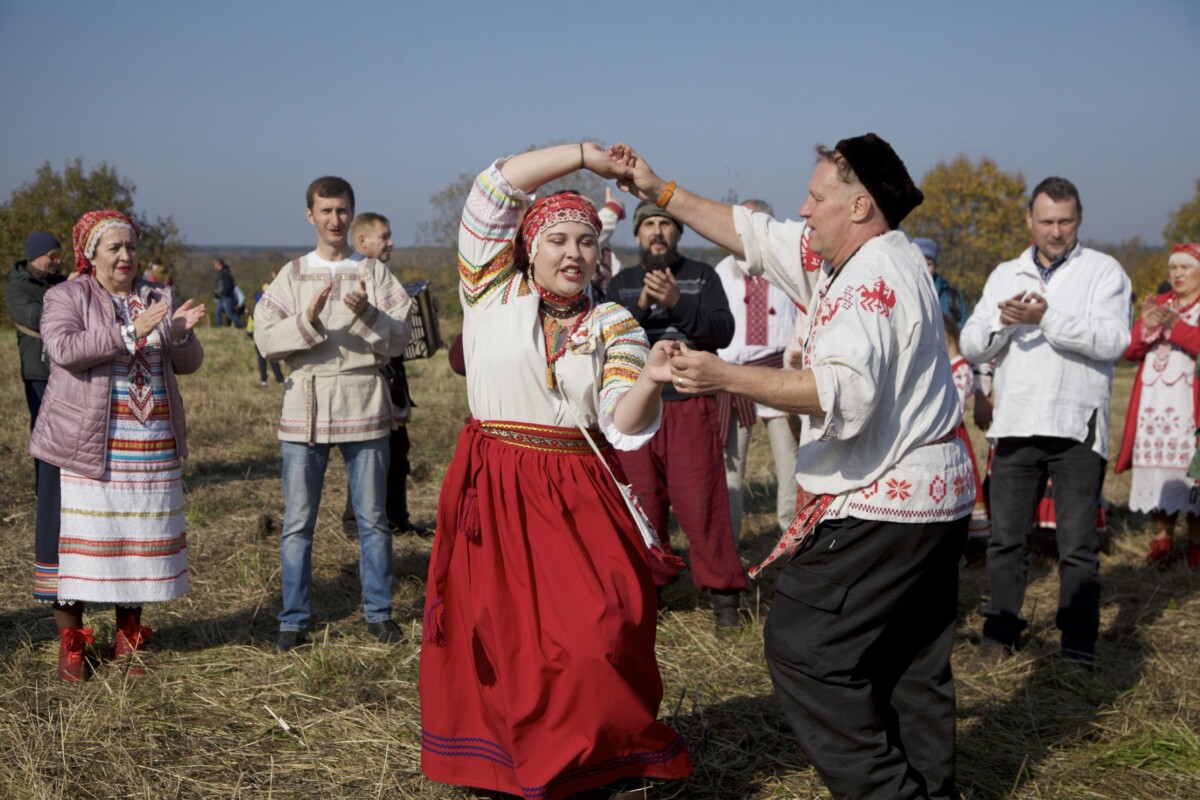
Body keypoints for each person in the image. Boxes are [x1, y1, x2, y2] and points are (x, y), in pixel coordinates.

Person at [608, 133, 975, 800]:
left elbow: (841, 392)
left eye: (816, 197)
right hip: (934, 499)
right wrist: (660, 190)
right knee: (908, 663)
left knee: (804, 647)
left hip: (885, 501)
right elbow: (755, 234)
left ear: (860, 206)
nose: (803, 211)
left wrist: (727, 376)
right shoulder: (847, 257)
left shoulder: (874, 281)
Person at [420, 144, 692, 800]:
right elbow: (492, 188)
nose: (575, 253)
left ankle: (597, 760)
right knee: (501, 640)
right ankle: (505, 771)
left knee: (599, 632)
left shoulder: (613, 322)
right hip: (496, 480)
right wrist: (582, 156)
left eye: (588, 242)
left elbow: (622, 422)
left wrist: (653, 379)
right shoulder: (489, 292)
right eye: (559, 240)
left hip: (576, 489)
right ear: (530, 248)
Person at [28, 209, 206, 681]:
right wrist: (132, 332)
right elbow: (64, 349)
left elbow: (185, 362)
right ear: (90, 254)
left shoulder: (156, 294)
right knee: (77, 542)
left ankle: (128, 636)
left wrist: (182, 336)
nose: (126, 256)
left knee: (137, 536)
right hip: (84, 443)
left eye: (131, 247)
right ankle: (73, 643)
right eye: (114, 248)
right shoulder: (67, 294)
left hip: (147, 444)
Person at [961, 176, 1131, 664]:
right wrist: (1006, 322)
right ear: (1029, 221)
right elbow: (973, 342)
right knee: (1005, 540)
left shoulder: (1104, 271)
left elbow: (1113, 341)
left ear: (1079, 219)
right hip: (1015, 423)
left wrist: (1047, 320)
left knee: (1077, 545)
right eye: (1047, 221)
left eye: (1065, 221)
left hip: (1076, 424)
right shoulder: (1005, 273)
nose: (1056, 231)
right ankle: (999, 637)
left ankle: (1077, 644)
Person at [253, 176, 413, 652]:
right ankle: (293, 620)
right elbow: (265, 338)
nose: (334, 219)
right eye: (325, 211)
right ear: (311, 215)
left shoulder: (373, 273)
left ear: (351, 213)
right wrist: (309, 319)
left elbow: (403, 335)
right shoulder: (293, 273)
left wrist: (368, 315)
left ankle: (379, 613)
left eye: (342, 210)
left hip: (364, 401)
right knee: (298, 522)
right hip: (306, 404)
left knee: (373, 520)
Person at [605, 198, 747, 627]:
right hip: (636, 408)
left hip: (689, 403)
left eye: (665, 224)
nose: (657, 232)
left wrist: (678, 303)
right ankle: (650, 588)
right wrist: (645, 306)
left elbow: (722, 332)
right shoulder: (622, 283)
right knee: (641, 503)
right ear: (637, 235)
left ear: (678, 233)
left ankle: (724, 598)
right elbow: (609, 342)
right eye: (649, 225)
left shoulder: (701, 277)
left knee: (701, 501)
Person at [339, 212, 431, 537]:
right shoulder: (351, 278)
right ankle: (356, 526)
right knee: (368, 454)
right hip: (367, 381)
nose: (391, 241)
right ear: (363, 242)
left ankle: (397, 519)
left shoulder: (383, 277)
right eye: (385, 236)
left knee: (398, 448)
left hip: (393, 379)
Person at [713, 200, 799, 540]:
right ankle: (729, 542)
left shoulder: (790, 271)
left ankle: (792, 537)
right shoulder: (721, 273)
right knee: (732, 466)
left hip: (779, 375)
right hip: (735, 380)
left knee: (790, 461)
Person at [1117, 243, 1200, 568]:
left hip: (1188, 409)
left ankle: (1195, 545)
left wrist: (1174, 327)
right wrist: (1148, 326)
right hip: (1154, 407)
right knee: (1159, 474)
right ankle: (1161, 539)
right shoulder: (1160, 303)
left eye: (1186, 268)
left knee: (1192, 477)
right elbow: (1131, 351)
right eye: (1173, 269)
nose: (1178, 274)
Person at [7, 231, 69, 487]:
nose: (57, 261)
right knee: (44, 434)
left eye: (59, 255)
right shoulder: (17, 287)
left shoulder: (63, 281)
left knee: (68, 433)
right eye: (52, 256)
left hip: (67, 368)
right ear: (35, 256)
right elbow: (36, 318)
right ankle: (44, 489)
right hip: (38, 370)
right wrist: (67, 299)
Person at [943, 316, 989, 538]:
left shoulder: (961, 369)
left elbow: (957, 406)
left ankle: (968, 536)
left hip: (953, 433)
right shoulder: (942, 366)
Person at [913, 237, 968, 328]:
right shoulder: (903, 291)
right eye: (920, 263)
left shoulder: (952, 297)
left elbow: (964, 332)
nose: (924, 269)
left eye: (929, 264)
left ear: (935, 267)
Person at [249, 276, 285, 387]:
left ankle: (264, 381)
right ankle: (279, 380)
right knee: (273, 361)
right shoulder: (275, 307)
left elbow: (250, 327)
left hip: (260, 338)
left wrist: (251, 334)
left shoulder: (255, 310)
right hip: (270, 337)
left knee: (262, 362)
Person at [212, 258, 245, 328]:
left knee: (230, 314)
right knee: (217, 313)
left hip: (226, 297)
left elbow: (226, 286)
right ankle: (218, 329)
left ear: (219, 265)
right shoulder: (222, 273)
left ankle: (242, 326)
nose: (214, 267)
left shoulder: (224, 274)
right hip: (222, 298)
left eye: (215, 265)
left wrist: (223, 293)